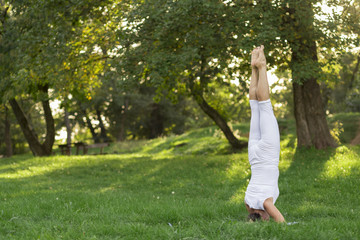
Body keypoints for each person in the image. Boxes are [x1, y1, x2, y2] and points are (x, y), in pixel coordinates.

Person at [244, 45, 285, 223]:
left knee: (264, 105)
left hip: (267, 153)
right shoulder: (248, 203)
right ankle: (254, 67)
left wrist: (270, 220)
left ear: (264, 216)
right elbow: (253, 212)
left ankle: (261, 66)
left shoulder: (266, 204)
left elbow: (281, 222)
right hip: (253, 154)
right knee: (255, 107)